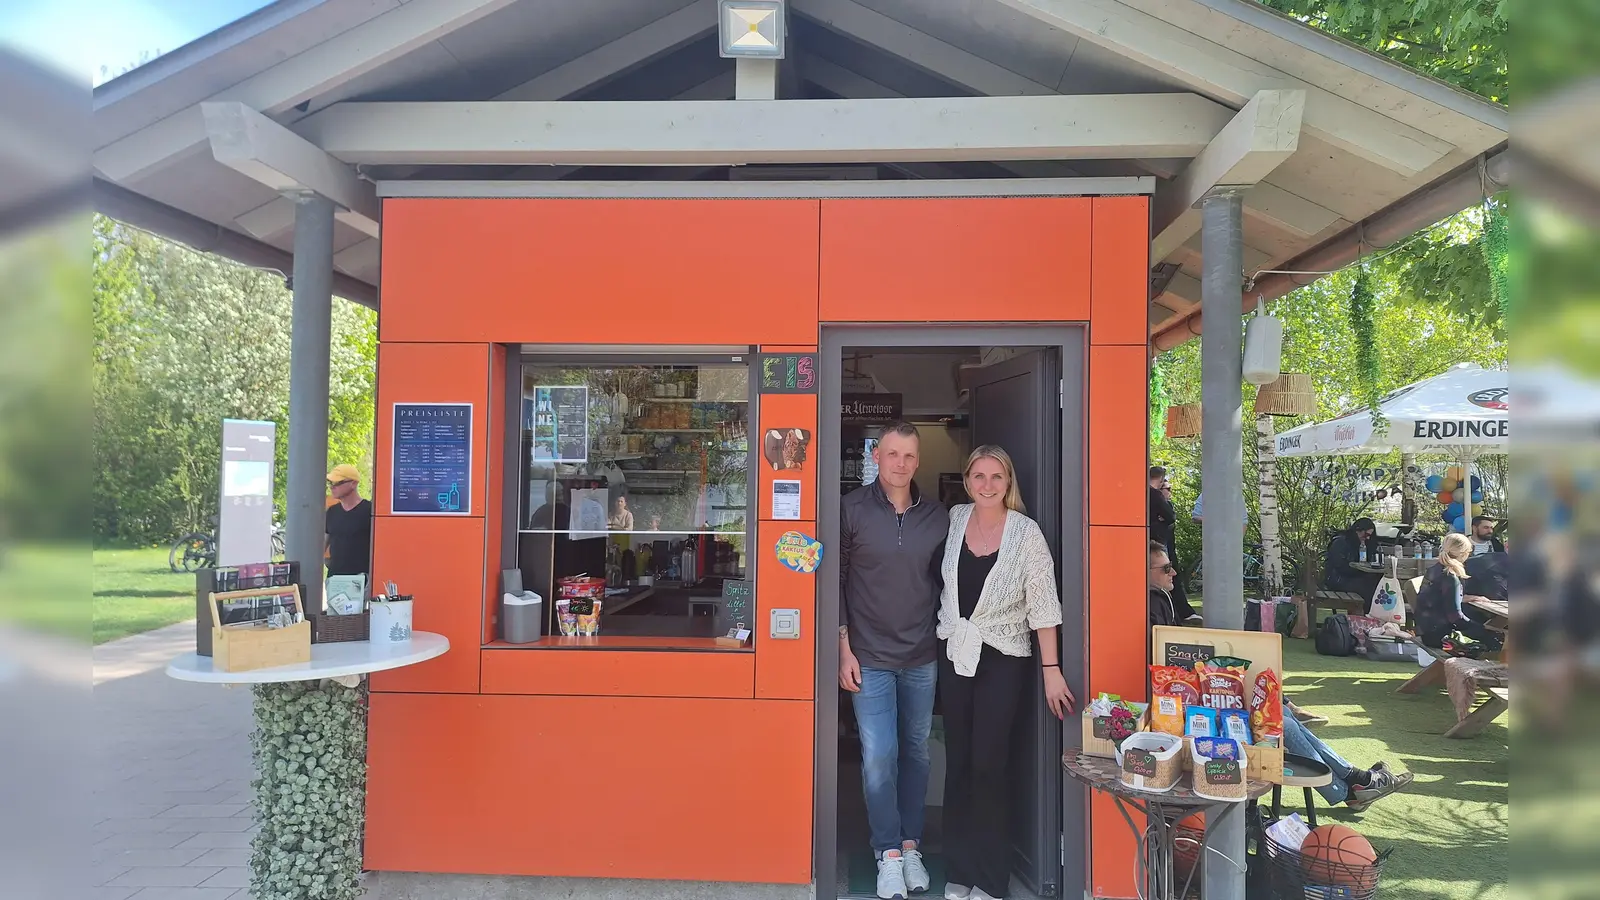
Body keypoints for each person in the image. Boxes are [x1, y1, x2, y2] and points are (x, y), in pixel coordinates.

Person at [1146, 542, 1411, 810]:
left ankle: (1352, 783)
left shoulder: (1158, 600)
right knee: (1282, 721)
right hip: (1181, 701)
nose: (1174, 573)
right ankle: (1350, 786)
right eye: (1166, 568)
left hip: (1189, 691)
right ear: (1145, 572)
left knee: (1283, 718)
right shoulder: (1153, 602)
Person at [936, 446, 1073, 900]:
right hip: (956, 653)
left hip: (1003, 659)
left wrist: (1050, 670)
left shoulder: (1026, 534)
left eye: (997, 477)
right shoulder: (956, 519)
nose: (988, 485)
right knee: (958, 766)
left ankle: (991, 880)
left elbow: (1044, 607)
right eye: (979, 476)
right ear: (968, 479)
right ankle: (959, 870)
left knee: (988, 767)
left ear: (1009, 482)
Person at [838, 422, 950, 899]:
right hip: (869, 657)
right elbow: (835, 583)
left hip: (921, 655)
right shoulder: (851, 509)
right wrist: (843, 647)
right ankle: (887, 853)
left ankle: (911, 844)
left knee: (918, 753)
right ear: (876, 457)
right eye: (892, 455)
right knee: (879, 758)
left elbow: (954, 581)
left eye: (909, 456)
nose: (900, 464)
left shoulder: (939, 516)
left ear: (917, 461)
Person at [1415, 533, 1504, 650]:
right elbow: (1456, 618)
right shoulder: (1450, 577)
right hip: (1442, 637)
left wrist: (1469, 597)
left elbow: (1440, 597)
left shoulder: (1434, 570)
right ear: (1463, 554)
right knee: (1497, 639)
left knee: (1489, 633)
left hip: (1426, 630)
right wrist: (1484, 628)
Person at [1148, 467, 1195, 621]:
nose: (1169, 492)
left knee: (1167, 575)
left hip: (1158, 543)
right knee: (1164, 575)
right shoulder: (1154, 494)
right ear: (1160, 483)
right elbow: (1170, 517)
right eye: (1167, 488)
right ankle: (1177, 612)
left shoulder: (1146, 494)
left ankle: (1179, 612)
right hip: (1157, 544)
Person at [324, 464, 372, 577]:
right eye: (331, 483)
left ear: (353, 483)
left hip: (361, 579)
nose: (332, 487)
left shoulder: (369, 511)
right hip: (335, 579)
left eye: (337, 483)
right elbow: (323, 543)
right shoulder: (332, 512)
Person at [1323, 517, 1380, 599]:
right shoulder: (1340, 542)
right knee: (1368, 588)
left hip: (1351, 578)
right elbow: (1340, 566)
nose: (1368, 538)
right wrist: (1360, 570)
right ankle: (1365, 611)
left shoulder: (1361, 544)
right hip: (1337, 579)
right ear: (1358, 530)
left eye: (1370, 536)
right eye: (1366, 534)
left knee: (1377, 583)